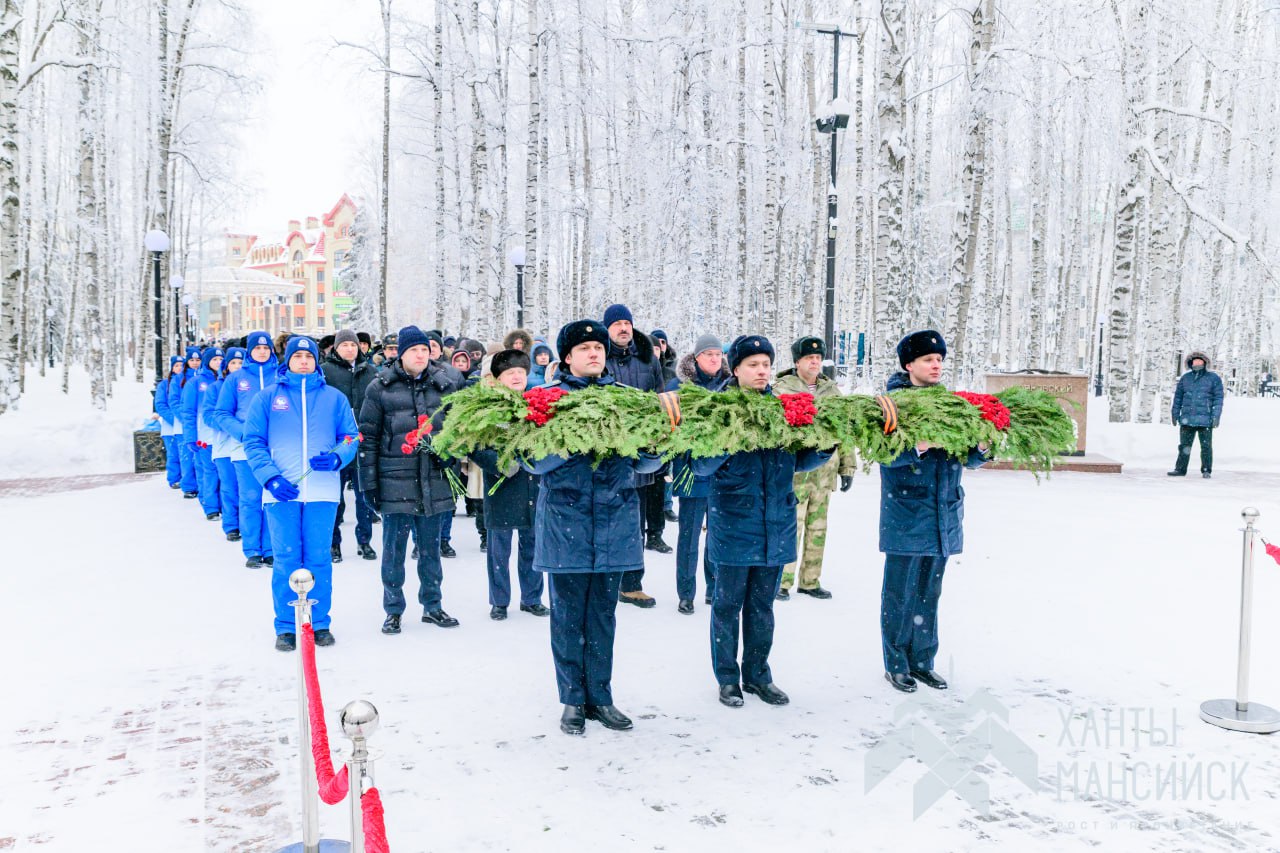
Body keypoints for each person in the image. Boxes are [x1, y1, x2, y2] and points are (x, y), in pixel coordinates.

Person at [526, 319, 663, 735]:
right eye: (584, 348)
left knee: (603, 616)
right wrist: (569, 441)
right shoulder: (546, 401)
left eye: (599, 348)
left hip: (615, 520)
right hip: (565, 521)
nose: (594, 354)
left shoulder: (627, 400)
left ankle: (601, 697)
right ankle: (572, 699)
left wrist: (656, 447)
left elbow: (646, 463)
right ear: (566, 357)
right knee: (568, 617)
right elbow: (530, 460)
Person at [694, 335, 832, 708]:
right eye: (752, 364)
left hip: (776, 522)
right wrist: (725, 439)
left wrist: (821, 449)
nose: (761, 371)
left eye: (766, 365)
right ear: (735, 369)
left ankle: (758, 675)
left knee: (762, 607)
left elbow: (795, 461)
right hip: (735, 524)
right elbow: (700, 466)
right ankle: (727, 678)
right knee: (727, 607)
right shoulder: (718, 410)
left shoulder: (783, 410)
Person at [879, 330, 988, 693]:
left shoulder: (952, 405)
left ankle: (923, 661)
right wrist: (920, 447)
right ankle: (896, 664)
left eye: (939, 359)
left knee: (929, 593)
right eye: (928, 359)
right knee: (900, 593)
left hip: (943, 513)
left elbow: (967, 456)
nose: (936, 365)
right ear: (909, 365)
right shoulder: (891, 405)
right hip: (907, 513)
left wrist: (983, 448)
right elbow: (884, 453)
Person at [243, 336, 360, 651]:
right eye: (298, 356)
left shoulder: (333, 398)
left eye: (309, 356)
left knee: (319, 558)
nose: (304, 361)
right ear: (288, 360)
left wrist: (337, 456)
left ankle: (319, 623)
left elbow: (351, 436)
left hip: (322, 492)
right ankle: (286, 626)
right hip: (281, 494)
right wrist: (271, 479)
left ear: (317, 361)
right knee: (286, 559)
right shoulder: (267, 399)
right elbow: (252, 442)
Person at [358, 325, 462, 635]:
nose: (421, 355)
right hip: (395, 481)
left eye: (424, 350)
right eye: (414, 350)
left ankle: (432, 605)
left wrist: (449, 456)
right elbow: (368, 439)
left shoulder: (445, 386)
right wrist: (370, 484)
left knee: (430, 549)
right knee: (394, 550)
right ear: (402, 353)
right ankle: (393, 609)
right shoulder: (380, 387)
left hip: (433, 480)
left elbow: (457, 431)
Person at [774, 336, 856, 600]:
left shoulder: (831, 391)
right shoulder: (782, 389)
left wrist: (847, 467)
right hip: (795, 473)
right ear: (797, 361)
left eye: (818, 358)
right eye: (809, 358)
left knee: (818, 527)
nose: (814, 362)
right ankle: (782, 582)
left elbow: (844, 431)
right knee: (790, 527)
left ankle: (810, 581)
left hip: (824, 473)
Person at [602, 303, 669, 610]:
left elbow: (659, 396)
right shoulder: (598, 356)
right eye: (616, 323)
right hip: (606, 453)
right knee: (605, 521)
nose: (623, 328)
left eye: (626, 322)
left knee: (634, 522)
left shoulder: (647, 358)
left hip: (640, 453)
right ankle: (606, 581)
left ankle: (632, 584)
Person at [472, 349, 548, 621]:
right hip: (501, 486)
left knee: (532, 545)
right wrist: (502, 463)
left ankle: (532, 598)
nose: (516, 377)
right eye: (510, 373)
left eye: (520, 372)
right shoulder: (487, 408)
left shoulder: (537, 402)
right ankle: (499, 601)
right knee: (499, 550)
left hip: (532, 484)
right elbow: (475, 446)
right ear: (499, 378)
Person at [666, 334, 729, 613]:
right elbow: (668, 423)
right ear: (697, 358)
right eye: (709, 354)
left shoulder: (731, 386)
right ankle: (686, 592)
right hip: (690, 469)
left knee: (717, 534)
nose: (715, 359)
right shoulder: (680, 386)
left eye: (718, 354)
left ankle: (713, 588)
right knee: (689, 535)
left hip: (722, 472)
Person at [213, 330, 279, 568]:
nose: (262, 352)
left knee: (271, 498)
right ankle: (252, 550)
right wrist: (242, 432)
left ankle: (271, 548)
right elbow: (221, 412)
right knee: (250, 499)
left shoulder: (281, 375)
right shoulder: (236, 379)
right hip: (245, 450)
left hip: (276, 449)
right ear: (249, 351)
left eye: (265, 348)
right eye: (257, 348)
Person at [321, 329, 377, 561]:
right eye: (344, 345)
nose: (350, 349)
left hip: (363, 443)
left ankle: (365, 541)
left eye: (353, 345)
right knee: (336, 497)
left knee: (365, 497)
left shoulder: (370, 371)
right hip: (337, 444)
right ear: (336, 348)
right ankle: (334, 543)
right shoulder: (325, 372)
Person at [204, 347, 245, 542]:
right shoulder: (216, 387)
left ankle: (247, 525)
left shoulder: (249, 385)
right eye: (233, 363)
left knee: (247, 490)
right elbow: (209, 415)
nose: (237, 366)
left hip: (246, 446)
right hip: (224, 447)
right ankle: (232, 525)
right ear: (226, 366)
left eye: (240, 363)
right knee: (230, 487)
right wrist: (230, 424)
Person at [183, 346, 225, 520]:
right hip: (205, 437)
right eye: (214, 359)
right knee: (209, 472)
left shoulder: (228, 381)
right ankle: (211, 507)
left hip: (224, 436)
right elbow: (189, 411)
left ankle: (224, 506)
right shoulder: (196, 382)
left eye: (220, 359)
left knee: (224, 475)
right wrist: (190, 437)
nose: (218, 362)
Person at [1168, 351, 1224, 479]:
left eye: (1200, 361)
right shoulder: (1185, 378)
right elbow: (1178, 397)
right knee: (1184, 447)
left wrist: (1216, 416)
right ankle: (1180, 469)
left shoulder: (1213, 378)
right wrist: (1175, 413)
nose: (1197, 363)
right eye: (1195, 361)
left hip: (1206, 419)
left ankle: (1206, 470)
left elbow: (1218, 399)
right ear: (1191, 363)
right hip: (1187, 419)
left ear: (1204, 363)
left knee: (1206, 447)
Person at [173, 346, 202, 498]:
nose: (195, 363)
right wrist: (185, 416)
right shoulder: (179, 379)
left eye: (198, 360)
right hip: (187, 423)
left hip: (203, 424)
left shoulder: (207, 377)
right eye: (192, 360)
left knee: (202, 458)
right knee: (188, 456)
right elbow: (174, 401)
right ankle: (189, 485)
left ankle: (201, 485)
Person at [155, 356, 185, 489]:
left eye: (181, 365)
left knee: (185, 454)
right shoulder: (164, 384)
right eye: (176, 365)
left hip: (185, 425)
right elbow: (161, 405)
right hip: (170, 425)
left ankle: (186, 478)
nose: (179, 368)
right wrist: (174, 419)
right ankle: (174, 478)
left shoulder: (187, 381)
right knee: (173, 453)